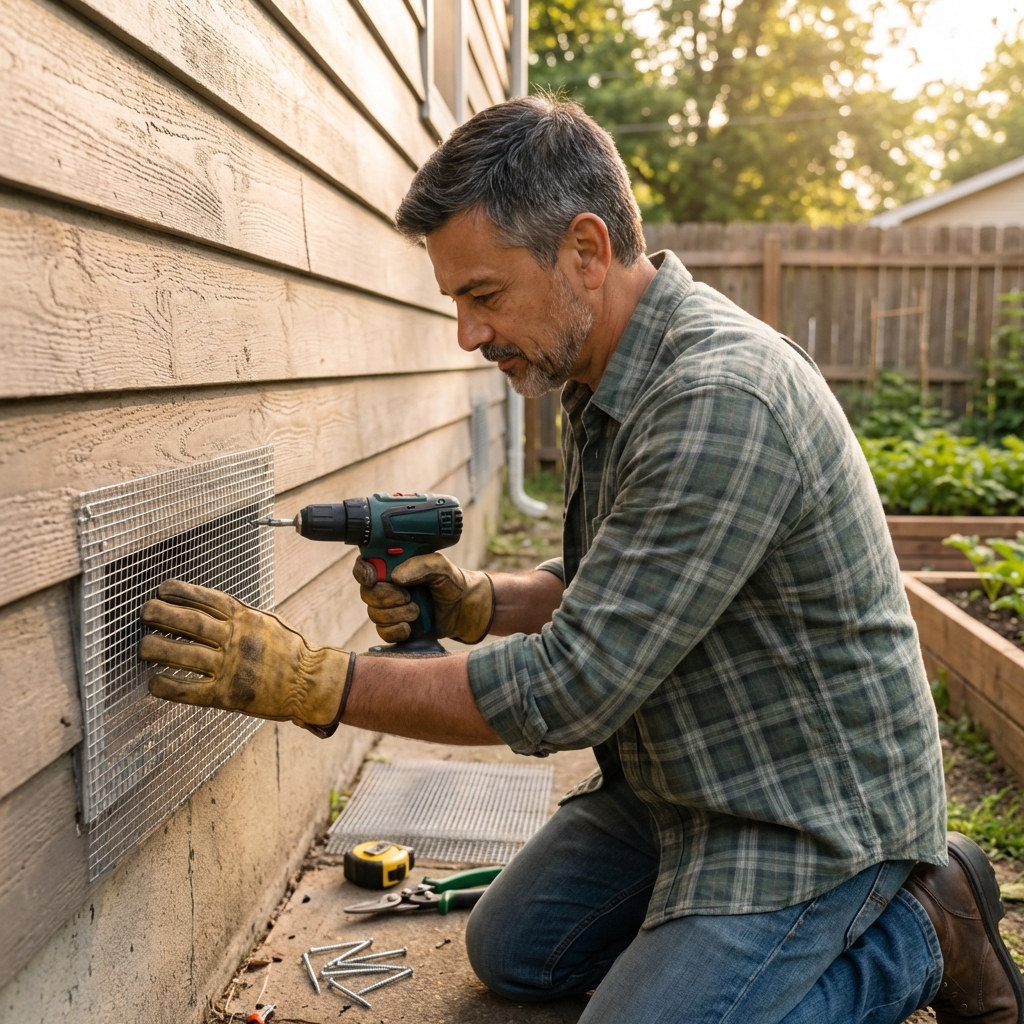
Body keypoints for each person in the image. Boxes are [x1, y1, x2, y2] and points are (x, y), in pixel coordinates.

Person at [139, 96, 1024, 1023]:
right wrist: (477, 601)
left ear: (586, 253)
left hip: (802, 811)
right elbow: (608, 588)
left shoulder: (719, 400)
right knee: (516, 951)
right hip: (678, 779)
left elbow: (573, 688)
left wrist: (312, 682)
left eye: (484, 295)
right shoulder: (598, 370)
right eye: (457, 301)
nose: (468, 333)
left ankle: (925, 923)